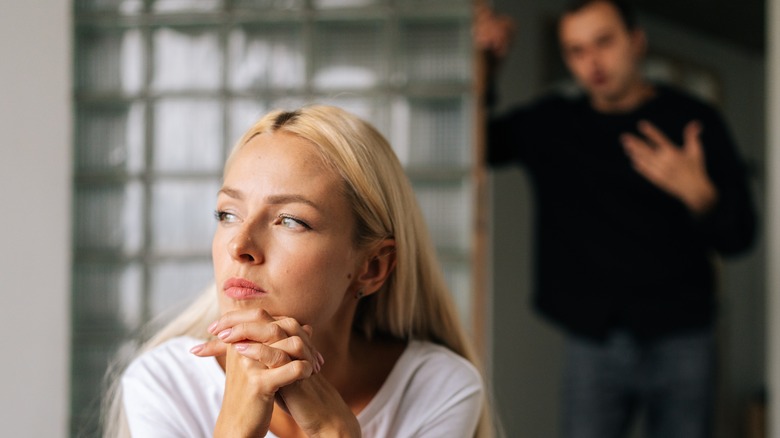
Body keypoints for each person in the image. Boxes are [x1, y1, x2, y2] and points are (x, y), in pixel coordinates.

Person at [102, 105, 492, 437]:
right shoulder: (166, 383)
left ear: (371, 267)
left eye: (290, 221)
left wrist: (329, 428)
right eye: (228, 214)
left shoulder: (435, 388)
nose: (240, 246)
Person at [476, 1, 756, 437]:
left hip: (685, 335)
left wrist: (700, 195)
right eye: (576, 50)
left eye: (603, 42)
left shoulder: (693, 121)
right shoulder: (553, 123)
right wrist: (486, 65)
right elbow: (476, 144)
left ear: (636, 41)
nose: (592, 61)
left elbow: (741, 237)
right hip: (593, 339)